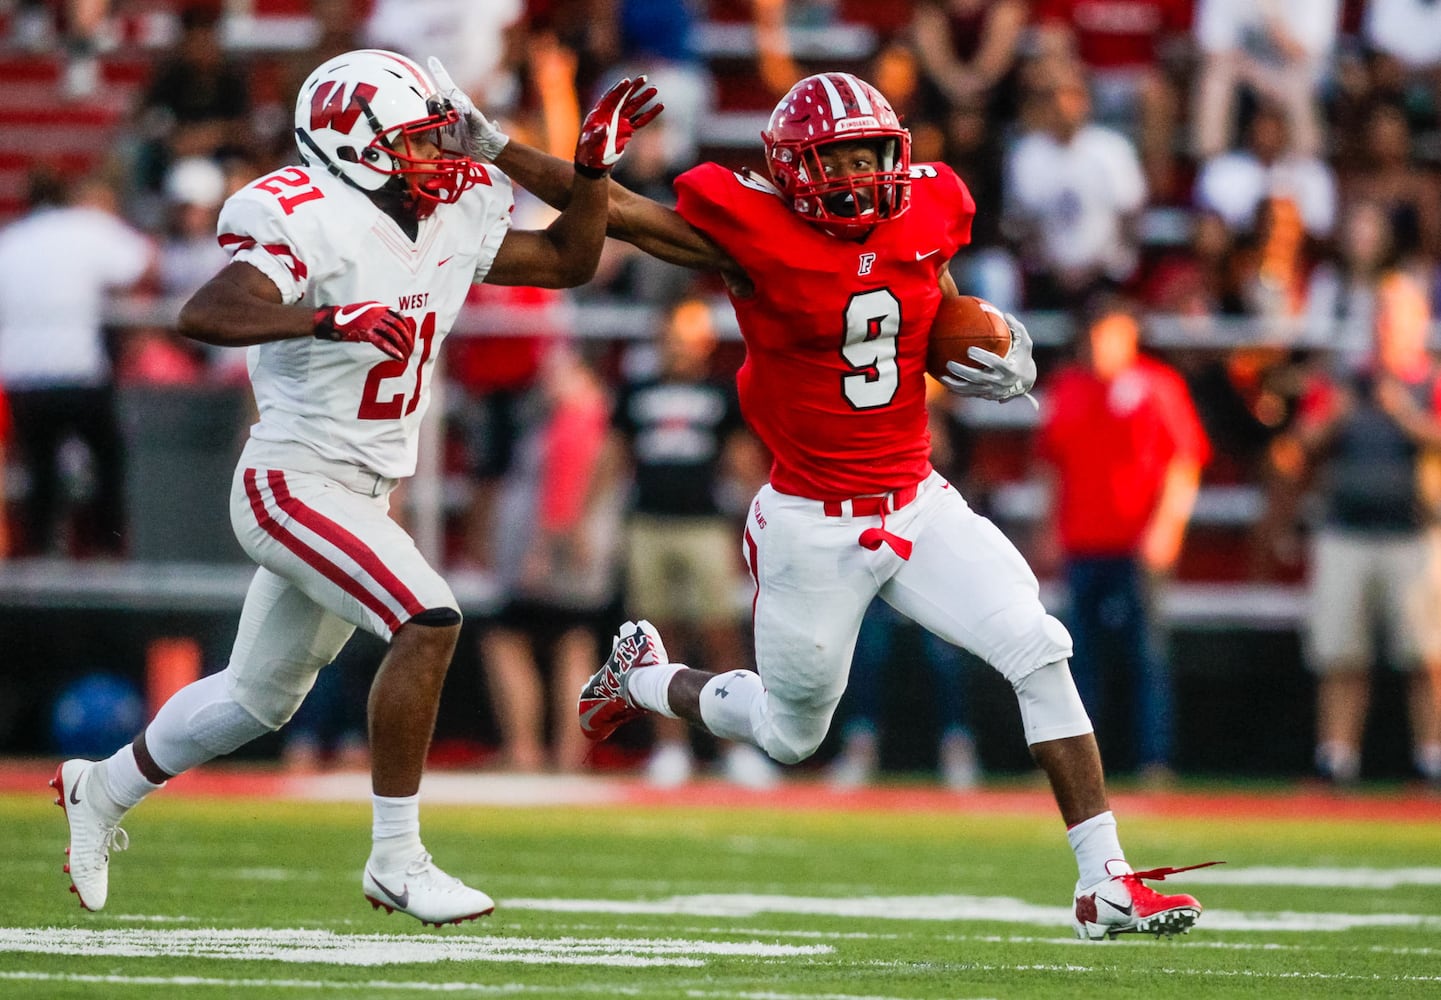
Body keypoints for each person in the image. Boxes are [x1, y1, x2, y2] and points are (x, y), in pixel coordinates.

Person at [466, 69, 1213, 938]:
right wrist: (515, 153)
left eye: (867, 156)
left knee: (1039, 647)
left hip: (916, 500)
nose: (857, 176)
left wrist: (997, 348)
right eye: (836, 158)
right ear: (789, 171)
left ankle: (1104, 882)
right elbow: (625, 214)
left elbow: (934, 304)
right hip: (809, 522)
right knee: (790, 737)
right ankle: (644, 677)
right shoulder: (753, 231)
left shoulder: (932, 206)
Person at [50, 47, 657, 926]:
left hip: (363, 488)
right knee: (429, 616)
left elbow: (567, 259)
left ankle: (100, 788)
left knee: (258, 698)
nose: (440, 157)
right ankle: (396, 857)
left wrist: (591, 174)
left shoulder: (447, 213)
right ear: (355, 145)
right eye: (417, 141)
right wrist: (328, 318)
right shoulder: (309, 214)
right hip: (290, 481)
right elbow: (206, 311)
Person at [1035, 300, 1211, 783]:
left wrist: (1167, 526)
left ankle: (1153, 760)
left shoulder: (1157, 386)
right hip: (1083, 542)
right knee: (1078, 659)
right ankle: (1079, 765)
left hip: (1135, 544)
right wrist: (1050, 527)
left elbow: (1184, 461)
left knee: (1146, 656)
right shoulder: (1068, 388)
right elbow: (1053, 463)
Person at [606, 297, 776, 788]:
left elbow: (742, 462)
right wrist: (584, 518)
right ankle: (670, 747)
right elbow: (614, 456)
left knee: (720, 634)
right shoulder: (636, 392)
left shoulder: (720, 395)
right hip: (648, 523)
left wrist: (761, 517)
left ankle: (735, 749)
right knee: (657, 640)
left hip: (704, 524)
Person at [1284, 271, 1441, 787]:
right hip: (1346, 529)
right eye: (1381, 313)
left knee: (1427, 657)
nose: (1386, 325)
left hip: (1415, 532)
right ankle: (1336, 757)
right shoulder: (1344, 381)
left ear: (1420, 323)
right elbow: (1300, 445)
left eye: (1397, 314)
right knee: (1340, 654)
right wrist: (1334, 418)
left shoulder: (1432, 383)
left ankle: (1432, 755)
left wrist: (1405, 417)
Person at [0, 167, 155, 557]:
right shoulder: (86, 228)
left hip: (23, 375)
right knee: (106, 459)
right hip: (77, 370)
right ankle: (106, 549)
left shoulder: (11, 239)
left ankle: (36, 551)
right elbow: (145, 262)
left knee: (40, 469)